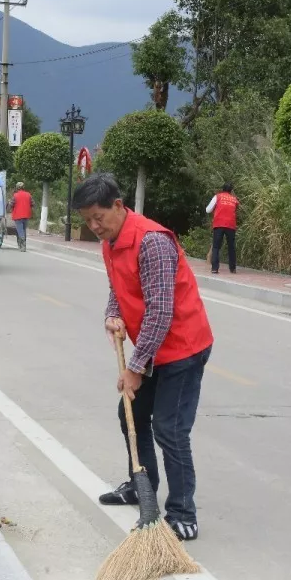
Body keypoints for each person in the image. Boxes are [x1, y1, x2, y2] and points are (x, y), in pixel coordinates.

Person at [72, 172, 214, 542]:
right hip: (155, 346)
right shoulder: (110, 242)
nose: (93, 226)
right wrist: (112, 313)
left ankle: (183, 513)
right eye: (87, 220)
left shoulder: (151, 241)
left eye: (98, 217)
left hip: (183, 347)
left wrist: (135, 368)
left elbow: (161, 312)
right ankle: (142, 486)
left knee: (170, 429)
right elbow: (117, 287)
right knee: (131, 413)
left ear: (118, 205)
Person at [205, 182, 239, 274]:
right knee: (231, 247)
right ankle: (233, 268)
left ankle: (215, 268)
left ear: (222, 189)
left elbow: (208, 210)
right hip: (231, 225)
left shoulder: (217, 196)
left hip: (219, 224)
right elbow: (235, 209)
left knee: (216, 246)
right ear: (231, 190)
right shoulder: (234, 199)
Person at [9, 182, 32, 251]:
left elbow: (11, 205)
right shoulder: (28, 195)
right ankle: (22, 244)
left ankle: (23, 246)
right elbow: (33, 203)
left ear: (17, 187)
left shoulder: (15, 195)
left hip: (18, 216)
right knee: (24, 230)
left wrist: (10, 205)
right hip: (26, 215)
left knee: (20, 231)